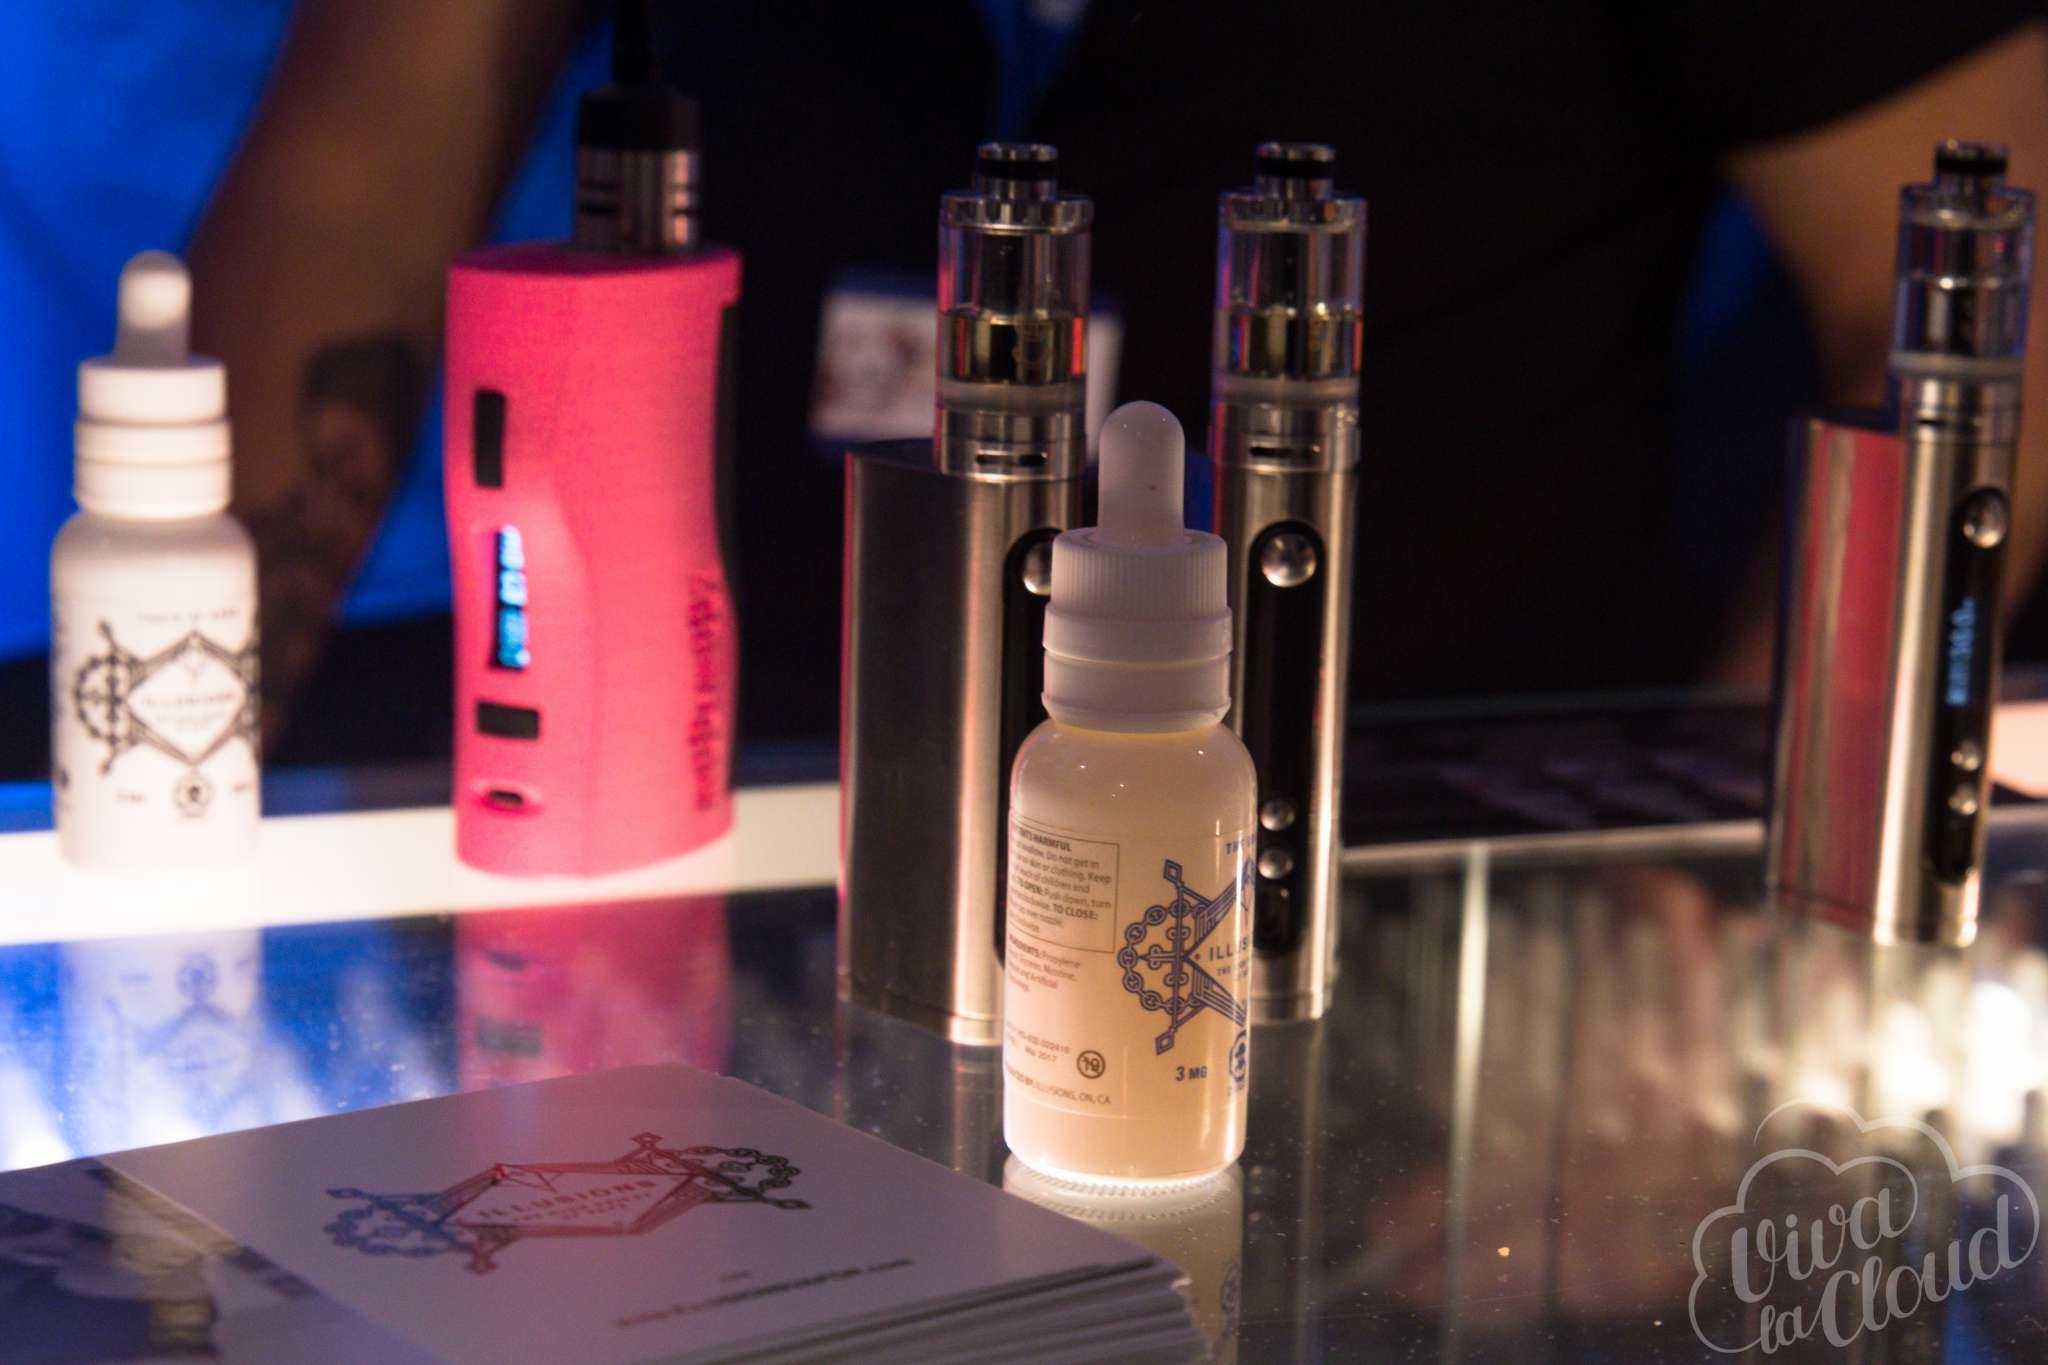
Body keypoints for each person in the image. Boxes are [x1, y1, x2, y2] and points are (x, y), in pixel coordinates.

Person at [66, 3, 2048, 754]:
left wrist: (1736, 841)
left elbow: (1970, 320)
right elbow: (361, 165)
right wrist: (172, 741)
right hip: (746, 812)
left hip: (1419, 837)